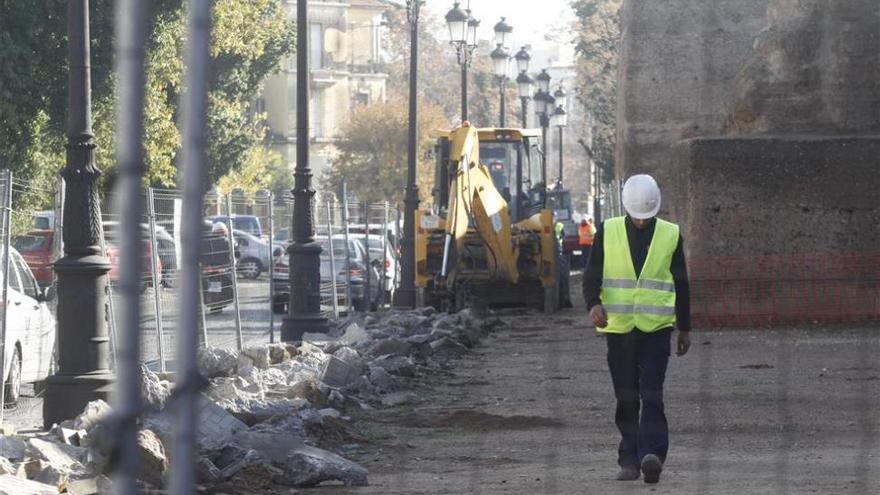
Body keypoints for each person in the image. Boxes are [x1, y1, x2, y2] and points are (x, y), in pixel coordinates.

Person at [582, 174, 691, 484]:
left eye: (647, 216)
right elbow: (592, 274)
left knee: (652, 393)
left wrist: (685, 327)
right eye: (637, 216)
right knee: (626, 396)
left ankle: (651, 455)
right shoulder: (609, 231)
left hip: (656, 329)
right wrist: (593, 304)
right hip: (619, 330)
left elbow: (681, 283)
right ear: (627, 209)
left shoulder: (671, 235)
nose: (642, 222)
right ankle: (628, 458)